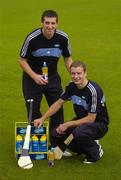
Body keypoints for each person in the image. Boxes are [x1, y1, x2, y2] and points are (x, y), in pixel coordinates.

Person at [34, 61, 109, 164]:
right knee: (55, 133)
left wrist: (67, 124)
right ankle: (82, 147)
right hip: (80, 121)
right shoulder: (71, 86)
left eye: (79, 73)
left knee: (78, 133)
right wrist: (42, 118)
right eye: (73, 73)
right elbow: (59, 103)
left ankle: (95, 152)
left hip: (98, 123)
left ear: (85, 73)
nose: (76, 76)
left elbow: (91, 118)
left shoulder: (93, 91)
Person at [19, 10, 73, 145]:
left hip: (52, 77)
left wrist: (74, 75)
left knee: (57, 109)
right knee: (33, 110)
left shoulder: (63, 38)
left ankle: (56, 145)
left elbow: (67, 58)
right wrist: (35, 76)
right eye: (47, 23)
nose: (50, 26)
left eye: (53, 23)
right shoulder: (32, 38)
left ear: (57, 24)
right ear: (42, 23)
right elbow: (22, 60)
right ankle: (38, 145)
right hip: (32, 77)